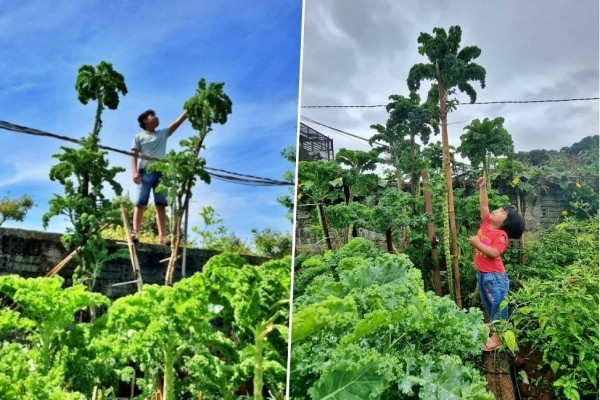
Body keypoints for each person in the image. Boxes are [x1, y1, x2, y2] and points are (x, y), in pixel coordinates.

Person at [468, 173, 525, 351]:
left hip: (495, 277)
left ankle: (499, 337)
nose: (496, 210)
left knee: (499, 305)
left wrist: (477, 243)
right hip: (483, 274)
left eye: (502, 212)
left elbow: (494, 253)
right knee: (489, 303)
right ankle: (494, 325)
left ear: (505, 224)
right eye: (499, 208)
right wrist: (483, 187)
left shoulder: (501, 235)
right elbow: (484, 205)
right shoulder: (487, 223)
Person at [131, 108, 188, 244]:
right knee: (140, 203)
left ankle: (162, 237)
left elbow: (177, 123)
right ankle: (135, 234)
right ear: (145, 120)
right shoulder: (139, 137)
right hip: (145, 171)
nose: (156, 118)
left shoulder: (162, 134)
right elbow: (134, 154)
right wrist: (134, 171)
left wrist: (187, 111)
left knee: (161, 205)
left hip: (162, 173)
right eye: (153, 116)